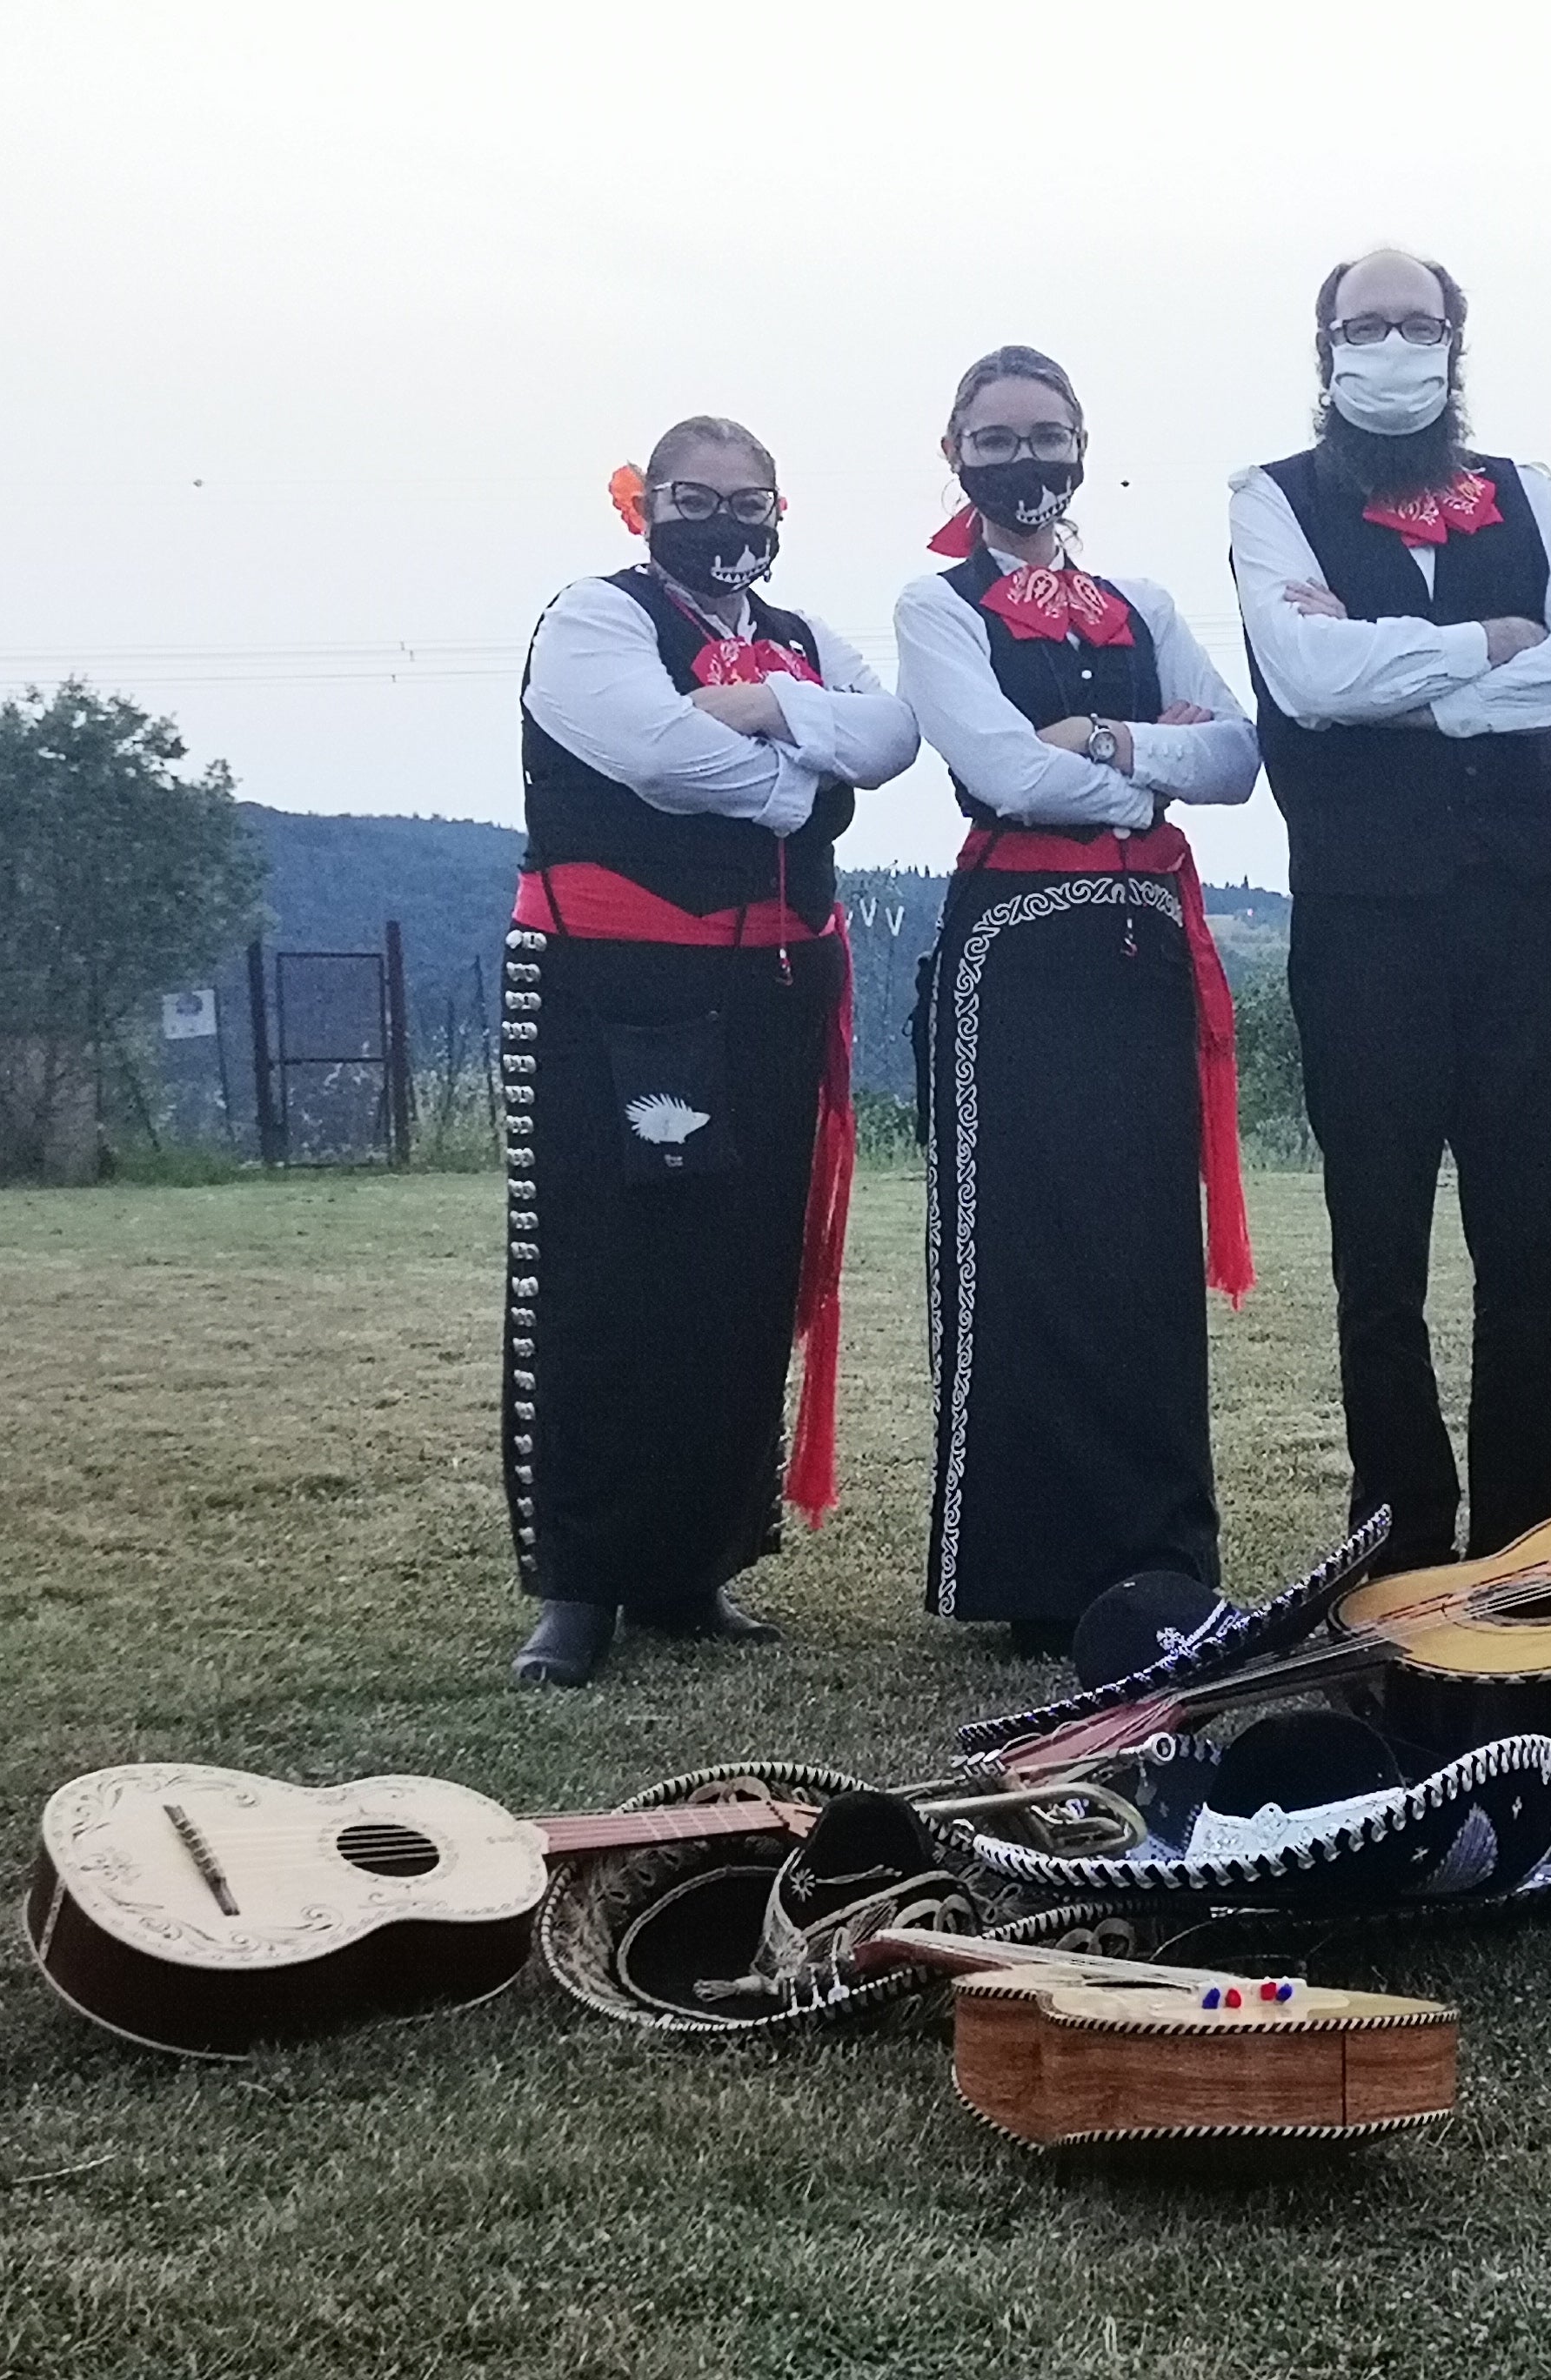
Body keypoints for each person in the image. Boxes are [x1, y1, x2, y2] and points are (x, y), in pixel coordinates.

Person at [1229, 248, 1551, 1575]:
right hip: (1367, 921)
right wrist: (1489, 649)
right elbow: (1304, 677)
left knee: (1533, 1250)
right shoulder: (1271, 500)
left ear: (1457, 343)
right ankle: (1403, 1536)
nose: (1394, 344)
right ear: (1326, 348)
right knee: (1380, 1255)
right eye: (1370, 325)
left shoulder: (1527, 491)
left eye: (1419, 324)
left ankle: (1526, 1544)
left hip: (1524, 909)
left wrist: (1398, 682)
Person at [502, 415, 919, 1688]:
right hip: (614, 981)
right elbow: (662, 755)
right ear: (647, 504)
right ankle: (581, 1586)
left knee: (742, 1277)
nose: (726, 520)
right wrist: (809, 782)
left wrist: (765, 704)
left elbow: (893, 733)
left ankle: (695, 1565)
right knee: (606, 1275)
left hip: (772, 986)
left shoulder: (797, 638)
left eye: (749, 500)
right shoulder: (593, 617)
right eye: (696, 496)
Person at [895, 346, 1262, 1646]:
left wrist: (1105, 745)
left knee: (1146, 1248)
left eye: (1045, 433)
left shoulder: (1143, 602)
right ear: (956, 456)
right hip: (1017, 951)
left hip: (1146, 938)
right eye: (995, 438)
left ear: (1083, 445)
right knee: (1028, 1246)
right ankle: (1033, 1572)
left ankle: (1159, 1557)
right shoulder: (937, 609)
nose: (1023, 459)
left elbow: (1235, 757)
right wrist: (1135, 780)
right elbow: (1001, 769)